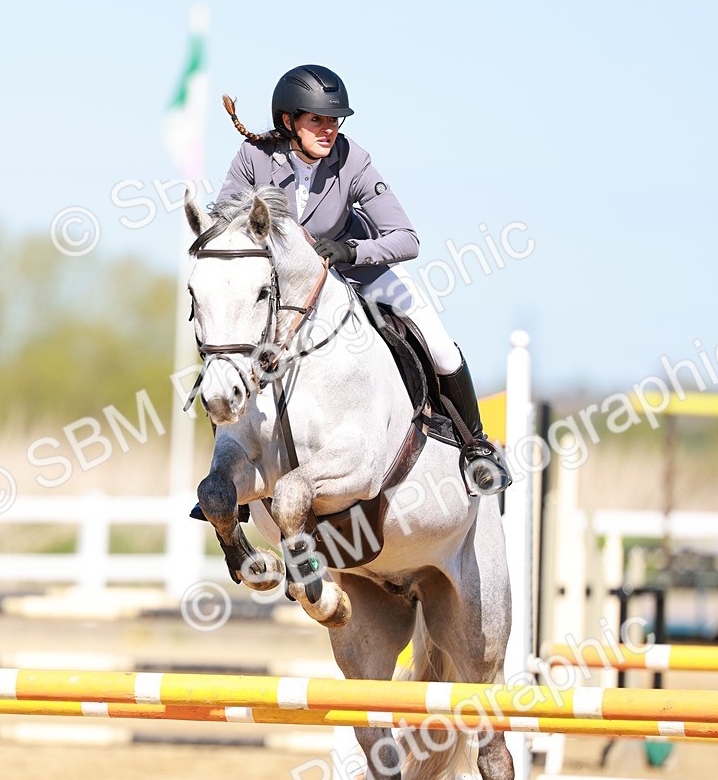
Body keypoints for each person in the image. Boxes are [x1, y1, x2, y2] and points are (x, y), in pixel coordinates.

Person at [200, 63, 509, 497]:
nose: (329, 130)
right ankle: (231, 478)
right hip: (284, 290)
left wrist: (351, 251)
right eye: (317, 120)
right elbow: (228, 225)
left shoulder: (354, 159)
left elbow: (406, 238)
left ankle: (476, 447)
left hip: (358, 272)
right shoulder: (255, 158)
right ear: (288, 121)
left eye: (334, 120)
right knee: (232, 353)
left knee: (438, 342)